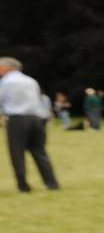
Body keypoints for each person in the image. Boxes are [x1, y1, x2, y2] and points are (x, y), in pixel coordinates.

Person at [0, 57, 59, 192]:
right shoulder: (31, 81)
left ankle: (23, 186)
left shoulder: (6, 82)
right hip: (37, 119)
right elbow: (39, 100)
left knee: (17, 153)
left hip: (18, 120)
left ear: (8, 67)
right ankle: (52, 183)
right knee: (39, 151)